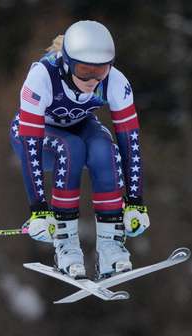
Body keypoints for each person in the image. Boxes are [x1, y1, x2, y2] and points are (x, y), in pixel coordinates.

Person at [10, 20, 149, 279]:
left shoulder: (116, 82)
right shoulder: (42, 76)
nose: (93, 80)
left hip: (79, 126)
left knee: (103, 148)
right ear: (67, 63)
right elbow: (31, 143)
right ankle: (66, 245)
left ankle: (110, 247)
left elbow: (130, 142)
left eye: (101, 71)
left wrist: (136, 203)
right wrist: (39, 209)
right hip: (36, 139)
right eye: (84, 71)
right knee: (70, 147)